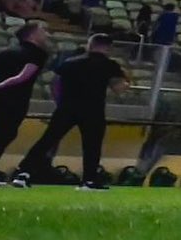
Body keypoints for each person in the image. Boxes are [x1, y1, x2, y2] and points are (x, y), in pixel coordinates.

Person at [9, 36, 126, 186]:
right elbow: (118, 88)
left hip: (67, 107)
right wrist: (126, 82)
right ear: (108, 47)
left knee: (47, 140)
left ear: (90, 45)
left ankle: (22, 172)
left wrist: (60, 102)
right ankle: (89, 180)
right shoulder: (109, 64)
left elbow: (55, 83)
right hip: (93, 109)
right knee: (92, 146)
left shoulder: (71, 62)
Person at [0, 24, 46, 163]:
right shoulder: (38, 54)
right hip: (16, 100)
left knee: (2, 134)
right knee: (6, 134)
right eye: (41, 32)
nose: (45, 34)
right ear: (32, 35)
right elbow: (23, 76)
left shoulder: (5, 52)